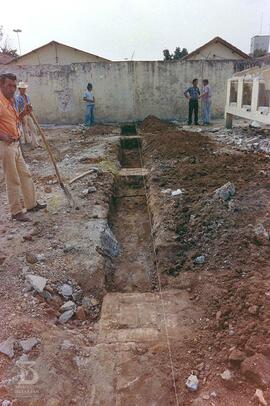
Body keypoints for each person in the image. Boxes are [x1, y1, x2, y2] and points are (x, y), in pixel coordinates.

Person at [0, 73, 46, 222]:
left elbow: (15, 119)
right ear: (1, 85)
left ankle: (31, 204)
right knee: (12, 179)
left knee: (25, 175)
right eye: (9, 85)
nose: (12, 89)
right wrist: (1, 135)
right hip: (5, 146)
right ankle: (16, 212)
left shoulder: (10, 100)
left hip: (16, 144)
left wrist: (24, 113)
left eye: (14, 86)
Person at [16, 81, 40, 148]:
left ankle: (35, 143)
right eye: (22, 88)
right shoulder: (17, 98)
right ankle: (28, 144)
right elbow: (17, 109)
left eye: (24, 88)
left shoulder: (27, 96)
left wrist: (30, 108)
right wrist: (20, 117)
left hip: (29, 114)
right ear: (19, 89)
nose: (24, 90)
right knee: (25, 130)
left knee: (33, 128)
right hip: (23, 115)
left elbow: (30, 104)